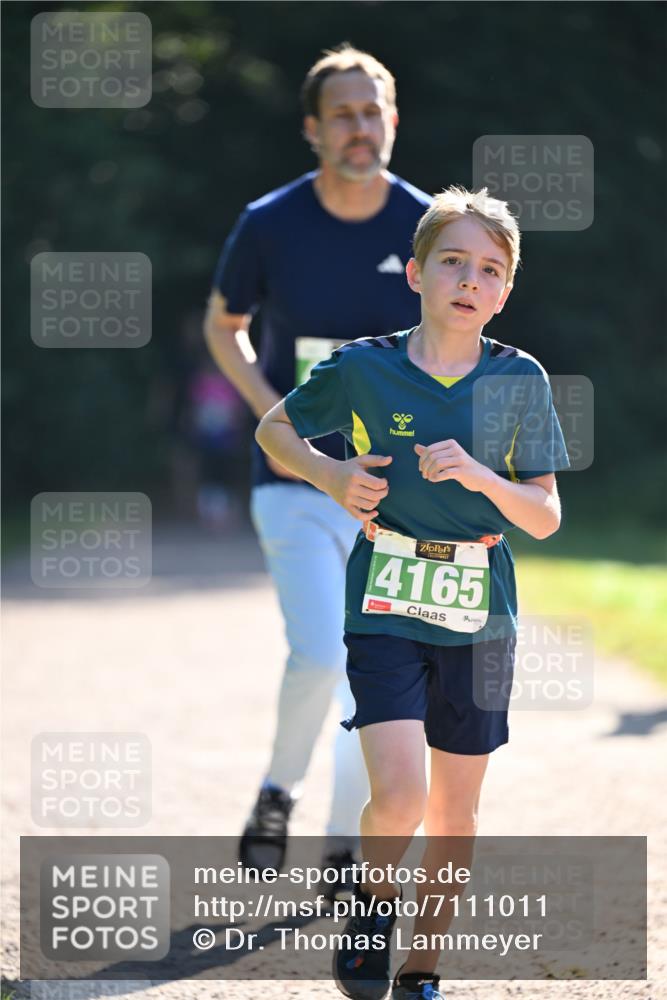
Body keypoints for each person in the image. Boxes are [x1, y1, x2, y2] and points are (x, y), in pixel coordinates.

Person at [255, 186, 570, 999]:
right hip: (385, 599)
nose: (469, 280)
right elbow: (273, 428)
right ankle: (372, 902)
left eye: (489, 270)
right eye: (453, 262)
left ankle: (421, 969)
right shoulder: (363, 366)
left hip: (480, 613)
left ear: (505, 290)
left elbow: (544, 516)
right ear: (415, 273)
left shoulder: (519, 379)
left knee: (455, 815)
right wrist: (330, 476)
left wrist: (480, 477)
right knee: (398, 798)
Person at [204, 44, 431, 894]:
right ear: (312, 128)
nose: (359, 128)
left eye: (372, 112)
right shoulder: (269, 222)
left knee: (376, 668)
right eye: (342, 114)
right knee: (319, 651)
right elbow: (223, 325)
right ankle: (277, 792)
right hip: (292, 484)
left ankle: (344, 844)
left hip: (395, 494)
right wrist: (281, 422)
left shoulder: (427, 226)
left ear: (392, 121)